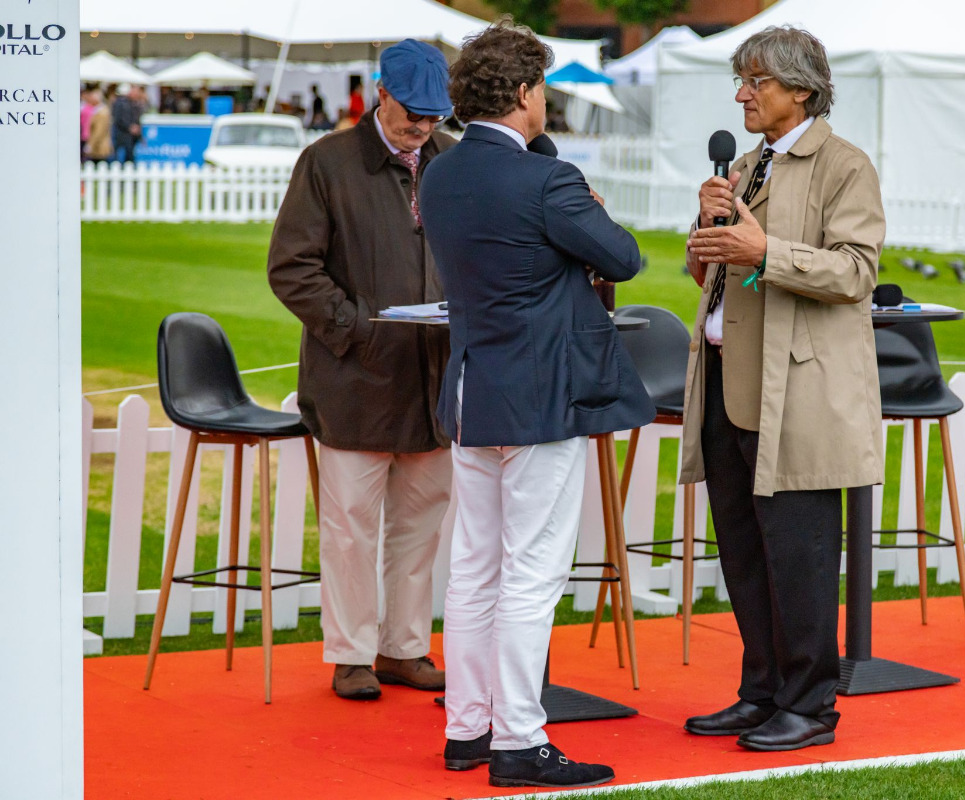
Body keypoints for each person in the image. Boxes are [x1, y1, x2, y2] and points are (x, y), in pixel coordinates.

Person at [419, 19, 654, 790]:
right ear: (523, 93)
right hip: (539, 390)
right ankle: (518, 738)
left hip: (472, 384)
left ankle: (467, 728)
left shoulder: (438, 175)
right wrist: (576, 201)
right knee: (529, 571)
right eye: (542, 88)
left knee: (474, 566)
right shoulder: (547, 180)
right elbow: (622, 256)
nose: (545, 101)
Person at [679, 25, 886, 752]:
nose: (741, 94)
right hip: (725, 383)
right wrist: (705, 233)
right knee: (742, 552)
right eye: (739, 81)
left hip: (793, 391)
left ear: (800, 89)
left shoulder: (844, 165)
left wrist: (764, 251)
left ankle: (809, 706)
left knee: (798, 556)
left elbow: (855, 272)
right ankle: (763, 692)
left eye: (755, 81)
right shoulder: (741, 167)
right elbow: (707, 271)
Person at [267, 39, 458, 702]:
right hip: (355, 377)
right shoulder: (327, 162)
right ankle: (350, 654)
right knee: (350, 526)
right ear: (381, 92)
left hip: (434, 377)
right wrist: (356, 330)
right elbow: (291, 267)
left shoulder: (451, 160)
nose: (422, 125)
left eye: (434, 114)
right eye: (412, 112)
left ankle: (403, 648)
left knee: (421, 523)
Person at [111, 83, 146, 164]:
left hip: (131, 136)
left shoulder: (136, 104)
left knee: (130, 156)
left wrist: (139, 133)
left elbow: (137, 119)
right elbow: (118, 119)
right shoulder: (121, 103)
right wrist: (129, 127)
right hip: (122, 134)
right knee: (120, 156)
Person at [83, 88, 113, 164]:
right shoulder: (97, 110)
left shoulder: (102, 113)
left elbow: (99, 131)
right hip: (97, 144)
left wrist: (90, 145)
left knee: (99, 164)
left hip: (99, 145)